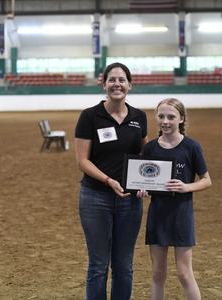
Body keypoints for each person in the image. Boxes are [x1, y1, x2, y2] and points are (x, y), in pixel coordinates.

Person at [74, 62, 148, 300]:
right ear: (103, 83)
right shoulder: (89, 116)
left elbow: (144, 156)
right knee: (98, 265)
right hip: (95, 198)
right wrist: (108, 180)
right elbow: (82, 161)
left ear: (130, 85)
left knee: (124, 266)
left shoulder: (140, 117)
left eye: (122, 80)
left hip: (130, 201)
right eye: (112, 80)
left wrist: (147, 182)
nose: (117, 84)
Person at [142, 98, 212, 300]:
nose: (165, 121)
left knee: (184, 274)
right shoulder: (150, 148)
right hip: (157, 215)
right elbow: (144, 180)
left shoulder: (191, 147)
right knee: (157, 274)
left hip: (181, 215)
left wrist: (186, 187)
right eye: (161, 116)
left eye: (171, 117)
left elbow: (206, 180)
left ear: (181, 118)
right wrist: (143, 190)